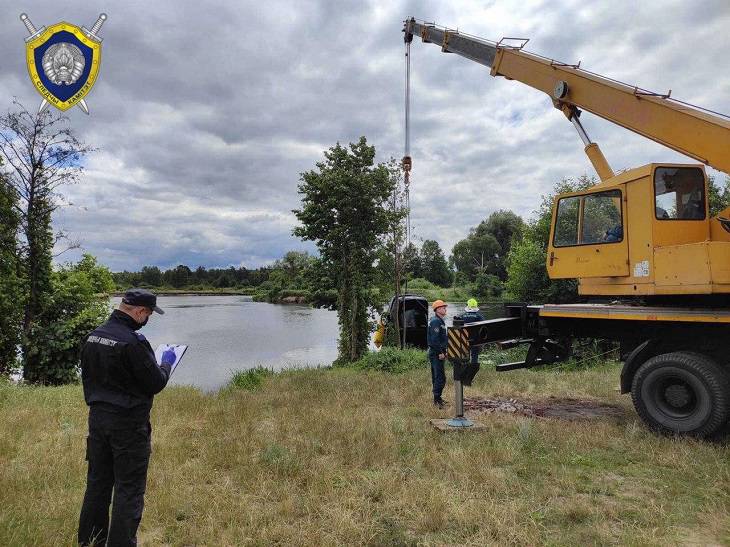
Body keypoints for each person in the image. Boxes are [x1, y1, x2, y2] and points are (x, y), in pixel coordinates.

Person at [78, 288, 175, 547]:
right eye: (149, 314)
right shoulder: (134, 342)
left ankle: (90, 542)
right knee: (128, 490)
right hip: (128, 427)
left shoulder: (93, 336)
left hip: (98, 421)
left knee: (97, 485)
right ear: (140, 311)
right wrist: (166, 363)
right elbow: (155, 383)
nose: (148, 319)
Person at [427, 300, 448, 408]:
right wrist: (440, 352)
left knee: (438, 377)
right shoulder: (436, 321)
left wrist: (445, 352)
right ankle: (437, 401)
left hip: (438, 352)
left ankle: (438, 398)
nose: (445, 309)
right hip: (436, 353)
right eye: (443, 307)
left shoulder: (439, 321)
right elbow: (435, 340)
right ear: (438, 309)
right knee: (440, 377)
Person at [461, 298, 485, 366]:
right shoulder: (479, 316)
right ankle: (473, 369)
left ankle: (464, 368)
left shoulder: (462, 316)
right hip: (475, 340)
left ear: (468, 306)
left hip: (464, 340)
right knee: (474, 356)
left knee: (465, 355)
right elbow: (484, 327)